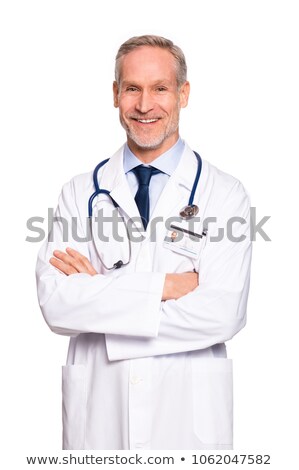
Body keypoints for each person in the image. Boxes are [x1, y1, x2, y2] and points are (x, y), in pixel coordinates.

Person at [36, 35, 252, 450]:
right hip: (99, 418)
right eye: (132, 88)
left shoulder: (224, 194)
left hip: (188, 422)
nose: (144, 104)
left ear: (183, 94)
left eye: (160, 88)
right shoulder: (79, 193)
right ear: (116, 95)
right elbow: (57, 304)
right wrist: (165, 288)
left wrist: (100, 303)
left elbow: (223, 313)